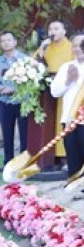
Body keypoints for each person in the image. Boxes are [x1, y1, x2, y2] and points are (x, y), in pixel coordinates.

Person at [49, 34, 84, 176]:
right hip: (68, 118)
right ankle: (73, 186)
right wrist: (68, 80)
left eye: (81, 45)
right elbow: (55, 92)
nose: (77, 49)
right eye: (74, 45)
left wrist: (77, 80)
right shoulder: (66, 67)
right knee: (72, 155)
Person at [36, 21, 76, 164]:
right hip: (47, 87)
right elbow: (35, 62)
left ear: (64, 31)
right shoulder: (46, 46)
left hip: (65, 85)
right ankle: (49, 154)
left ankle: (63, 154)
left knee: (62, 119)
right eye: (50, 29)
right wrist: (41, 49)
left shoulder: (71, 47)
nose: (53, 31)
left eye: (56, 28)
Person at [0, 31, 31, 167]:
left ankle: (23, 163)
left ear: (15, 42)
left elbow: (31, 82)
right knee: (7, 133)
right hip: (4, 102)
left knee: (24, 134)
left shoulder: (24, 60)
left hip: (22, 102)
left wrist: (14, 90)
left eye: (8, 40)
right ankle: (8, 162)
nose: (6, 43)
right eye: (2, 41)